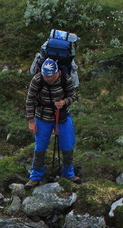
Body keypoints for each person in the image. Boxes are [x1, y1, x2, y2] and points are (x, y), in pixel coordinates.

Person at [25, 58, 80, 187]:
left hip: (62, 116)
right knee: (40, 148)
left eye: (50, 77)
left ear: (57, 73)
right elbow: (30, 100)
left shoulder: (65, 79)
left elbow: (73, 96)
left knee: (68, 145)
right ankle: (36, 176)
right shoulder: (37, 79)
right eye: (45, 76)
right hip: (42, 117)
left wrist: (64, 102)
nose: (47, 79)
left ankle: (69, 173)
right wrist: (31, 121)